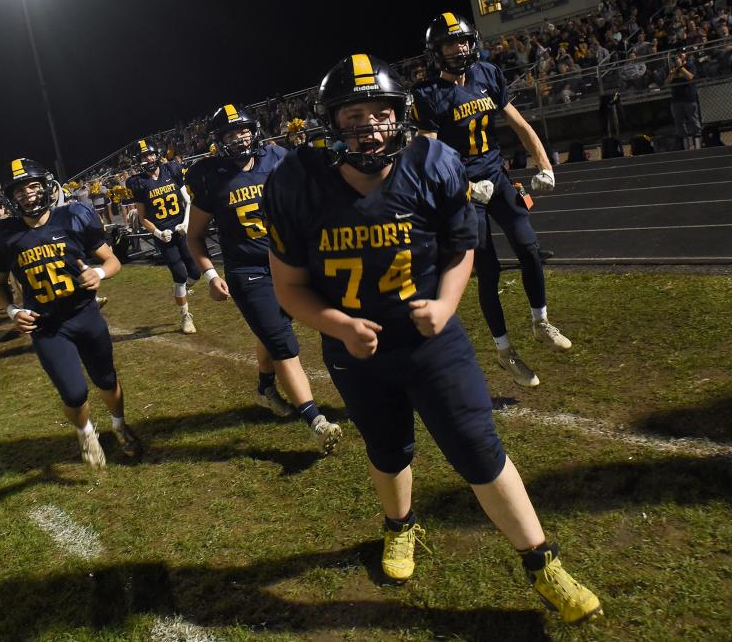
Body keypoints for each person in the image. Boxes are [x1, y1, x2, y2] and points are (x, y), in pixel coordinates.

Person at [264, 53, 601, 624]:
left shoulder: (434, 162)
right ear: (330, 122)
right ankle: (400, 526)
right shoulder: (297, 181)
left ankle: (542, 563)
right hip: (354, 349)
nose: (368, 125)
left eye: (380, 113)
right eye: (352, 115)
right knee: (388, 449)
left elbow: (459, 248)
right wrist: (339, 325)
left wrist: (445, 304)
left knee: (477, 446)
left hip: (430, 340)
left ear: (400, 116)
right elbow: (290, 286)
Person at [413, 13, 571, 388]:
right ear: (438, 51)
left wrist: (544, 164)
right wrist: (465, 190)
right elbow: (428, 158)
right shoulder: (429, 94)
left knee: (529, 248)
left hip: (497, 178)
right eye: (451, 43)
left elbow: (519, 123)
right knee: (489, 271)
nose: (460, 48)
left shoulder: (487, 74)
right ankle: (504, 351)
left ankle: (540, 321)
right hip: (466, 189)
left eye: (463, 40)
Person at [186, 104, 342, 453]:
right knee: (284, 343)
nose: (240, 138)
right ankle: (316, 420)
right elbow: (194, 236)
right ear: (219, 141)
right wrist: (210, 275)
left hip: (290, 262)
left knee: (271, 332)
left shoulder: (277, 158)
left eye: (243, 130)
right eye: (230, 133)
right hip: (249, 271)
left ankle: (264, 388)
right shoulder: (211, 177)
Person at [0, 158, 141, 468]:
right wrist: (12, 310)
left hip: (85, 315)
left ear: (46, 187)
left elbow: (112, 261)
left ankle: (119, 425)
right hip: (47, 325)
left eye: (32, 185)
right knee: (74, 392)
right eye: (19, 190)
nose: (27, 194)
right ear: (9, 199)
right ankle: (85, 431)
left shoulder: (74, 218)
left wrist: (99, 274)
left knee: (106, 380)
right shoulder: (3, 236)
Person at [126, 140, 201, 333]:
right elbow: (142, 218)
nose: (149, 158)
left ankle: (183, 291)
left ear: (157, 154)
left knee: (194, 272)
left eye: (150, 154)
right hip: (163, 235)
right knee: (180, 275)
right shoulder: (139, 183)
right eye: (144, 156)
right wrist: (158, 233)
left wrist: (185, 222)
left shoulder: (172, 170)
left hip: (181, 229)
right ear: (139, 160)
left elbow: (188, 200)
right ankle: (185, 316)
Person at [666, 49, 702, 150]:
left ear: (684, 56)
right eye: (677, 56)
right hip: (676, 99)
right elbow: (666, 83)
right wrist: (672, 73)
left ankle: (698, 144)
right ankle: (685, 145)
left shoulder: (690, 65)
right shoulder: (672, 68)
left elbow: (690, 77)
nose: (678, 57)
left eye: (680, 55)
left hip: (689, 98)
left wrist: (680, 67)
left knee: (693, 120)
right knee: (679, 122)